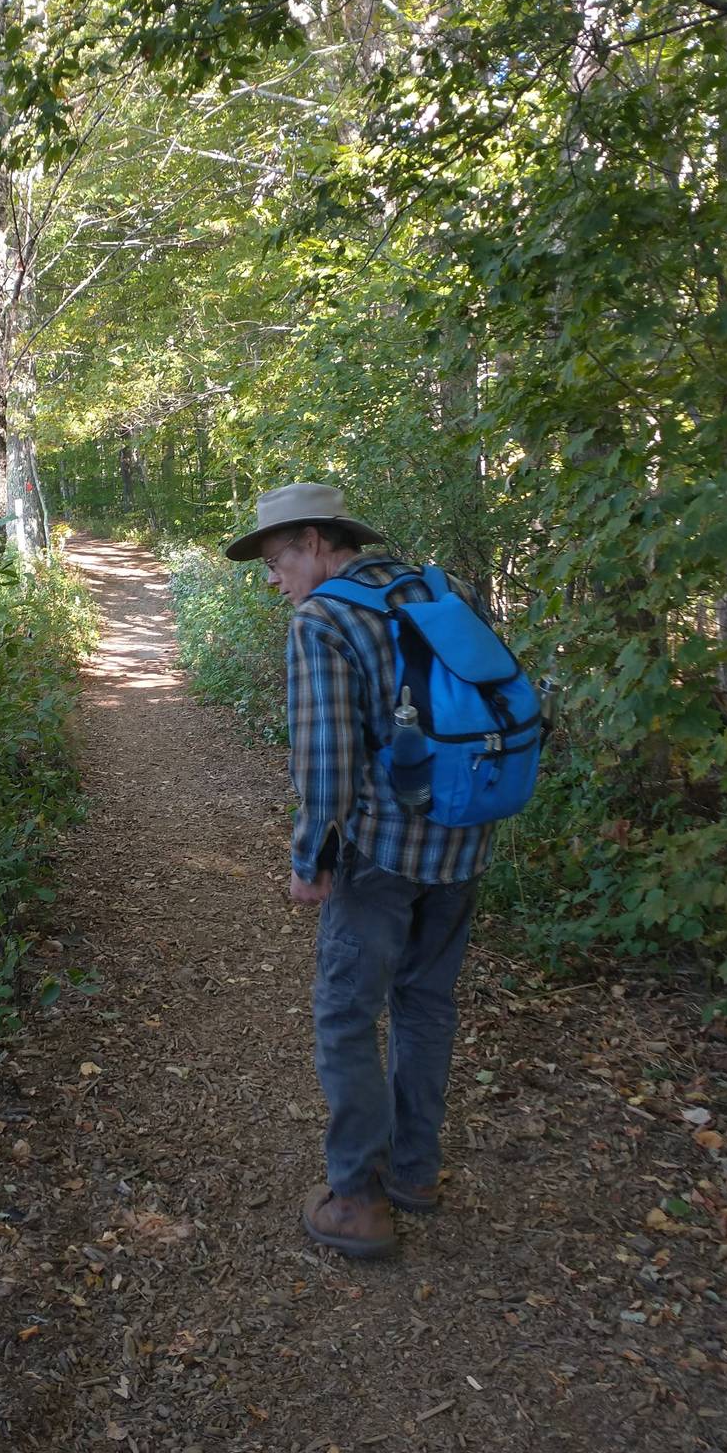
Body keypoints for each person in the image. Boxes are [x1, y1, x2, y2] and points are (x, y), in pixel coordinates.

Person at [224, 483, 493, 1260]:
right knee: (425, 1005)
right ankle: (415, 1173)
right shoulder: (440, 589)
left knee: (346, 1016)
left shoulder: (324, 619)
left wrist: (309, 857)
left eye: (276, 561)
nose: (274, 579)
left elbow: (325, 758)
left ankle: (357, 1201)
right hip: (465, 841)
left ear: (314, 542)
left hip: (382, 853)